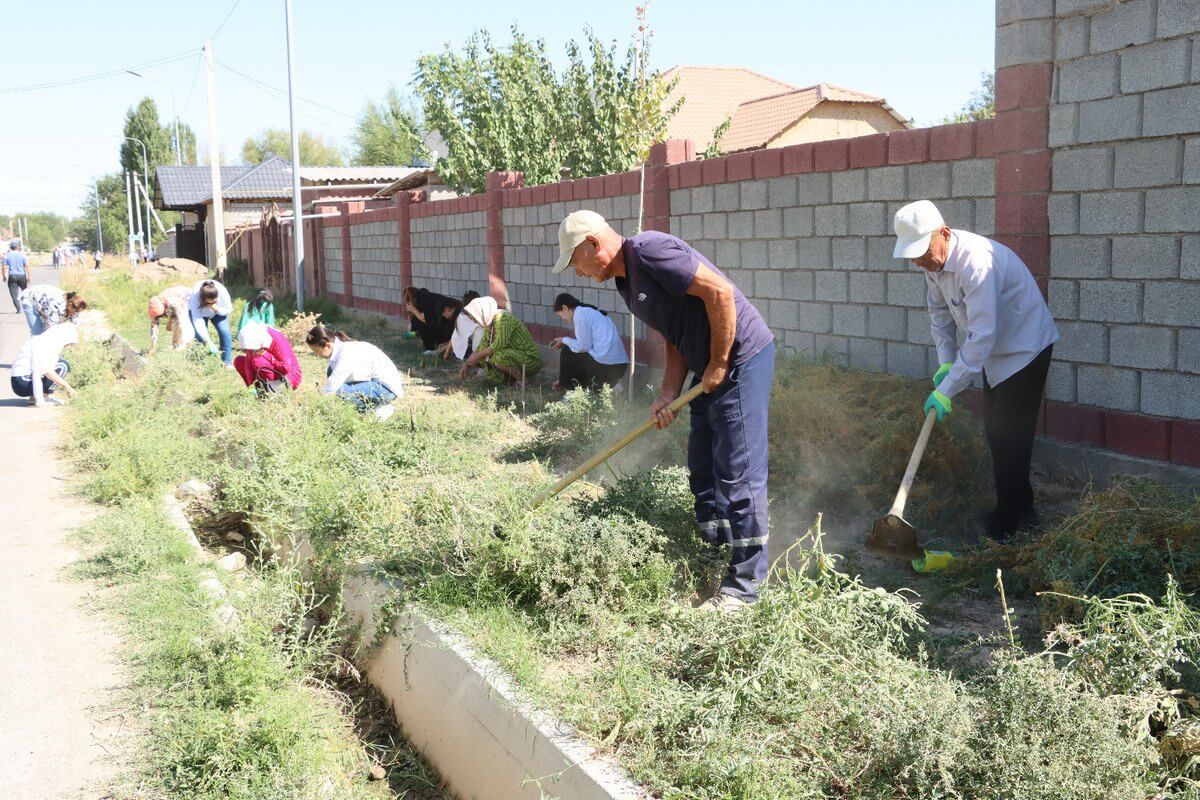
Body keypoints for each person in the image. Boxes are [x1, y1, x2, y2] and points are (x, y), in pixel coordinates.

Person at [553, 210, 775, 612]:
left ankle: (745, 587)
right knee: (701, 458)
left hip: (741, 357)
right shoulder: (625, 282)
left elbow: (720, 293)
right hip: (708, 363)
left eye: (575, 263)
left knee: (738, 469)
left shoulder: (650, 252)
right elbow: (675, 334)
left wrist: (720, 361)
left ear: (592, 245)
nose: (577, 273)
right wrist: (668, 392)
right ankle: (717, 538)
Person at [893, 200, 1059, 541]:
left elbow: (982, 336)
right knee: (997, 434)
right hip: (996, 352)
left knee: (1011, 437)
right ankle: (1020, 509)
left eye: (922, 251)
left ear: (944, 233)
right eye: (912, 256)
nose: (918, 261)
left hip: (1025, 348)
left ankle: (1009, 526)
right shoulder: (933, 263)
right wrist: (945, 363)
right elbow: (939, 316)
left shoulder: (976, 263)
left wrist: (947, 389)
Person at [306, 324, 404, 420]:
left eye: (316, 351)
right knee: (331, 373)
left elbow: (334, 384)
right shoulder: (338, 351)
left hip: (386, 388)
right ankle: (365, 410)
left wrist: (319, 404)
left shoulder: (346, 352)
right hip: (372, 382)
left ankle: (379, 409)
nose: (316, 355)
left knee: (339, 393)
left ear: (327, 345)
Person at [549, 293, 629, 391]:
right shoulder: (588, 312)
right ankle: (611, 385)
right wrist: (563, 379)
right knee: (576, 352)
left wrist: (563, 340)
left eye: (560, 315)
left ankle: (570, 392)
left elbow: (583, 347)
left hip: (608, 368)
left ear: (564, 308)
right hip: (619, 367)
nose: (562, 319)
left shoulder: (580, 315)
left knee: (568, 350)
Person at [455, 296, 542, 383]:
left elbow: (499, 344)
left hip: (530, 359)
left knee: (497, 357)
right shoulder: (490, 323)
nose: (474, 322)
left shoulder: (503, 318)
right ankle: (511, 379)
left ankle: (523, 381)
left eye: (474, 318)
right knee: (487, 359)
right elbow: (481, 346)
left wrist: (477, 357)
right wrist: (466, 364)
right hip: (516, 357)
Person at [9, 322, 79, 407]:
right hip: (22, 381)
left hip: (18, 382)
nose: (68, 346)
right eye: (69, 343)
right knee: (63, 365)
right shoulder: (48, 344)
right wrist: (67, 386)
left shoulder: (42, 339)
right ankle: (43, 396)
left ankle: (35, 397)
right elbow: (47, 371)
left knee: (59, 364)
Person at [233, 321, 302, 395]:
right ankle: (259, 392)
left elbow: (286, 368)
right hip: (270, 371)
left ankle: (271, 391)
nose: (249, 350)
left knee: (258, 361)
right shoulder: (253, 335)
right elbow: (248, 364)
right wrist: (251, 386)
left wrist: (267, 356)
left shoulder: (276, 338)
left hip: (290, 376)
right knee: (239, 361)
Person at [188, 278, 233, 364]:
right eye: (209, 303)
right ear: (203, 300)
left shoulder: (222, 291)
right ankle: (201, 361)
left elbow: (228, 309)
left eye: (215, 301)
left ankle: (226, 362)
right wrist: (209, 342)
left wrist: (216, 309)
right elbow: (198, 322)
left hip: (219, 312)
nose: (212, 303)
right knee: (199, 336)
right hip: (200, 313)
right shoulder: (195, 297)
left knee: (225, 332)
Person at [404, 286, 456, 354]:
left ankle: (431, 348)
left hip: (448, 329)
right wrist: (421, 337)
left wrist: (413, 310)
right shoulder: (423, 296)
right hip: (444, 326)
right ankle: (433, 344)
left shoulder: (424, 299)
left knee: (417, 320)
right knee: (415, 320)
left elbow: (428, 320)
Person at [18, 285, 87, 334]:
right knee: (37, 332)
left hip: (43, 304)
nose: (77, 313)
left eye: (79, 311)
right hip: (30, 299)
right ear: (70, 304)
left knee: (46, 330)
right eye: (77, 311)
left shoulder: (74, 308)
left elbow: (75, 324)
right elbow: (52, 327)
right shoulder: (55, 304)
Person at [147, 285, 192, 354]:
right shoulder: (154, 307)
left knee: (179, 322)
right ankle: (175, 344)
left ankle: (185, 344)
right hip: (174, 306)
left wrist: (185, 342)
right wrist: (153, 347)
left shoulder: (172, 302)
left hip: (188, 298)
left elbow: (182, 320)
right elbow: (154, 328)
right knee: (171, 325)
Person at [3, 240, 29, 313]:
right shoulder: (23, 255)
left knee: (14, 294)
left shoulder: (6, 256)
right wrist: (29, 276)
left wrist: (4, 276)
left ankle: (18, 309)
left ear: (11, 247)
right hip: (22, 276)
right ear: (18, 247)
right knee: (25, 292)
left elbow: (4, 267)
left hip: (12, 276)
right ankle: (27, 308)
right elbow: (27, 266)